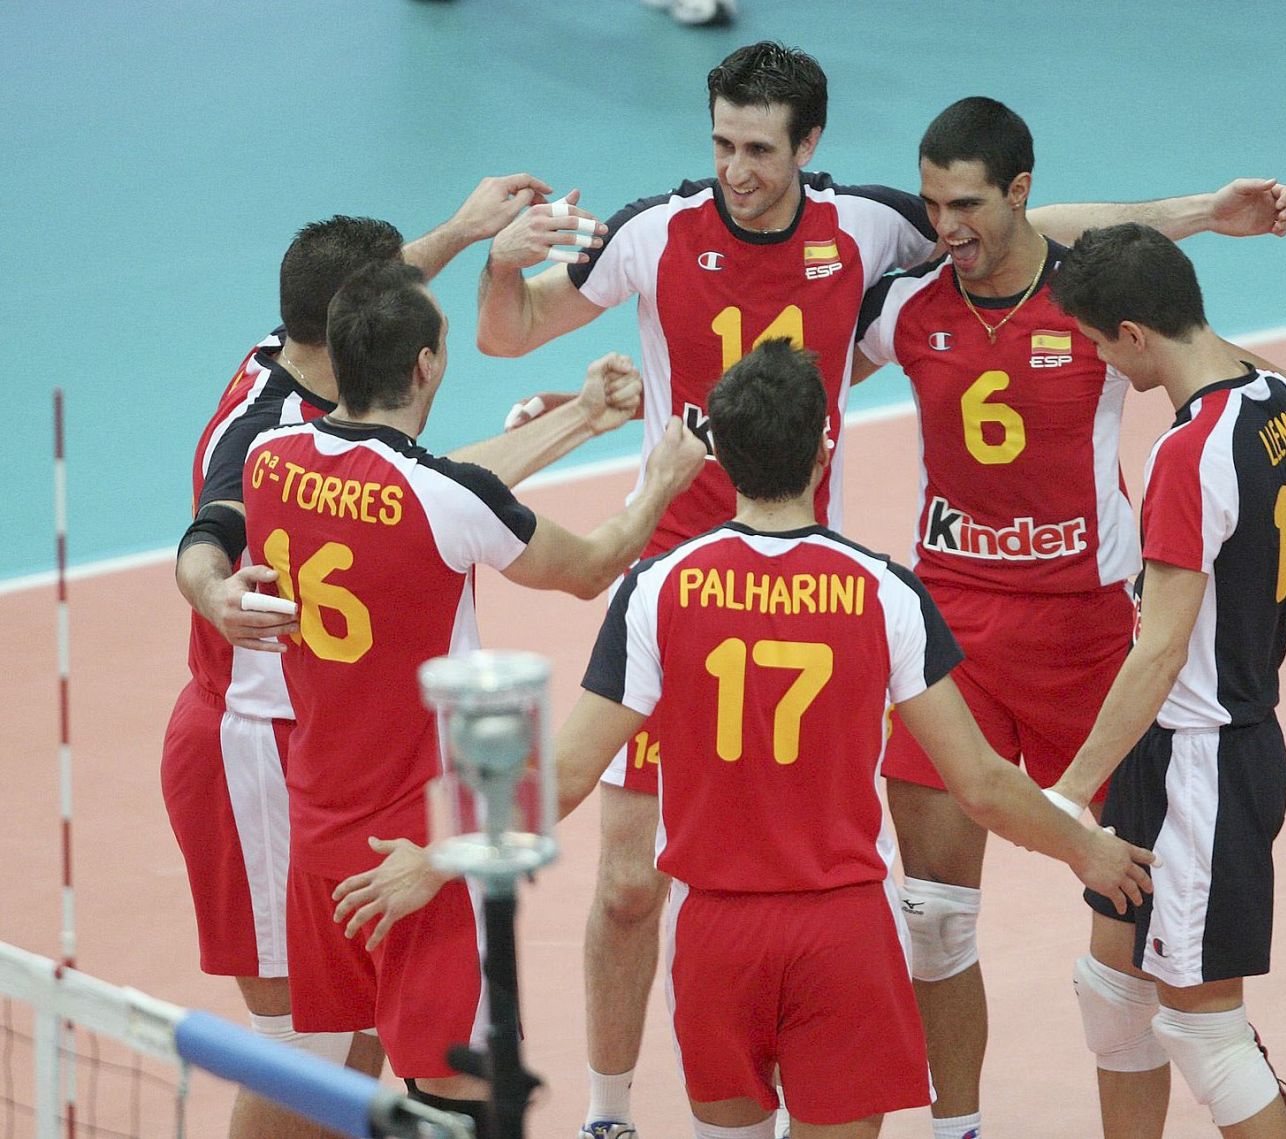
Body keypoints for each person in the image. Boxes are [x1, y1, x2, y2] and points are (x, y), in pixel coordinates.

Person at [476, 42, 1286, 1139]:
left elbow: (1022, 220)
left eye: (759, 149)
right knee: (641, 887)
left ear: (807, 145)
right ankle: (608, 1110)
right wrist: (522, 301)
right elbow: (508, 326)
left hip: (880, 580)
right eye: (720, 144)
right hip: (678, 575)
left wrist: (1201, 211)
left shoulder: (866, 233)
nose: (737, 169)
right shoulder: (655, 233)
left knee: (875, 881)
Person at [853, 97, 1286, 1139]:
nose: (945, 223)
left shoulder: (1180, 433)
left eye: (969, 203)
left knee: (1199, 1018)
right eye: (933, 203)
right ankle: (961, 1125)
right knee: (1091, 981)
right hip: (992, 645)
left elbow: (1165, 638)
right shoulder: (1233, 402)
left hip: (1146, 690)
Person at [333, 339, 1157, 1139]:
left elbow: (570, 770)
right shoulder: (885, 593)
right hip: (840, 933)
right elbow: (979, 781)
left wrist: (438, 856)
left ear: (719, 454)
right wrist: (1084, 851)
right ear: (824, 445)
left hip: (715, 939)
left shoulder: (658, 591)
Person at [164, 175, 600, 1138]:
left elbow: (431, 487)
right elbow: (207, 537)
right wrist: (210, 590)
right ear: (353, 330)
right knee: (304, 1053)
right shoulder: (270, 441)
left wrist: (459, 231)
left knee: (352, 1039)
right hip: (255, 752)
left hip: (313, 750)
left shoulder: (289, 358)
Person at [233, 261, 704, 1131]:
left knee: (317, 1079)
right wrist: (662, 483)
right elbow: (594, 564)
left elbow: (398, 478)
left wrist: (578, 417)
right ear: (426, 366)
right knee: (467, 1103)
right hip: (423, 853)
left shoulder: (268, 458)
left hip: (318, 837)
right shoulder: (445, 500)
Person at [1044, 223, 1286, 1138]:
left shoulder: (1187, 456)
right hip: (1183, 752)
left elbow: (1157, 651)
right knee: (1110, 987)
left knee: (1205, 1032)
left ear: (1135, 336)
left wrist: (1068, 791)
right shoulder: (1277, 399)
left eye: (1099, 343)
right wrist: (1254, 566)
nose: (1098, 359)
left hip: (1206, 759)